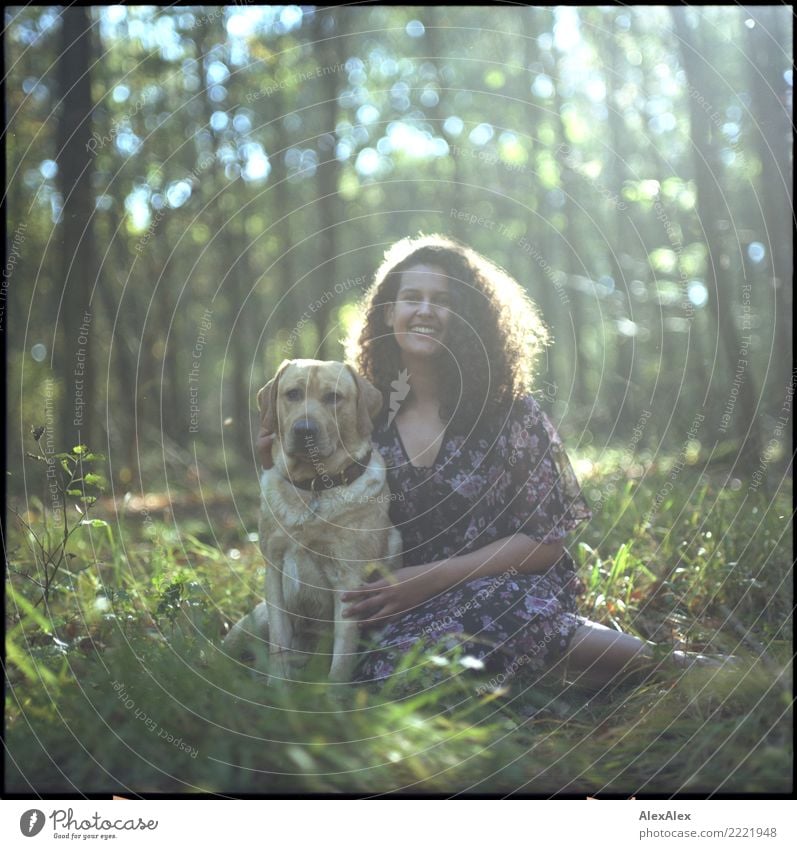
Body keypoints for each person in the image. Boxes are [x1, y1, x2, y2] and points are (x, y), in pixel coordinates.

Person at [257, 234, 726, 693]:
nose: (424, 310)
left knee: (495, 611)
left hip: (503, 583)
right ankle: (577, 675)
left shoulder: (509, 413)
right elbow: (316, 501)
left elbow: (546, 543)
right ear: (387, 312)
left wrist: (431, 578)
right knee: (394, 673)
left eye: (442, 299)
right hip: (397, 602)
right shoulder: (360, 412)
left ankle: (681, 666)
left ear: (467, 314)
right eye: (411, 297)